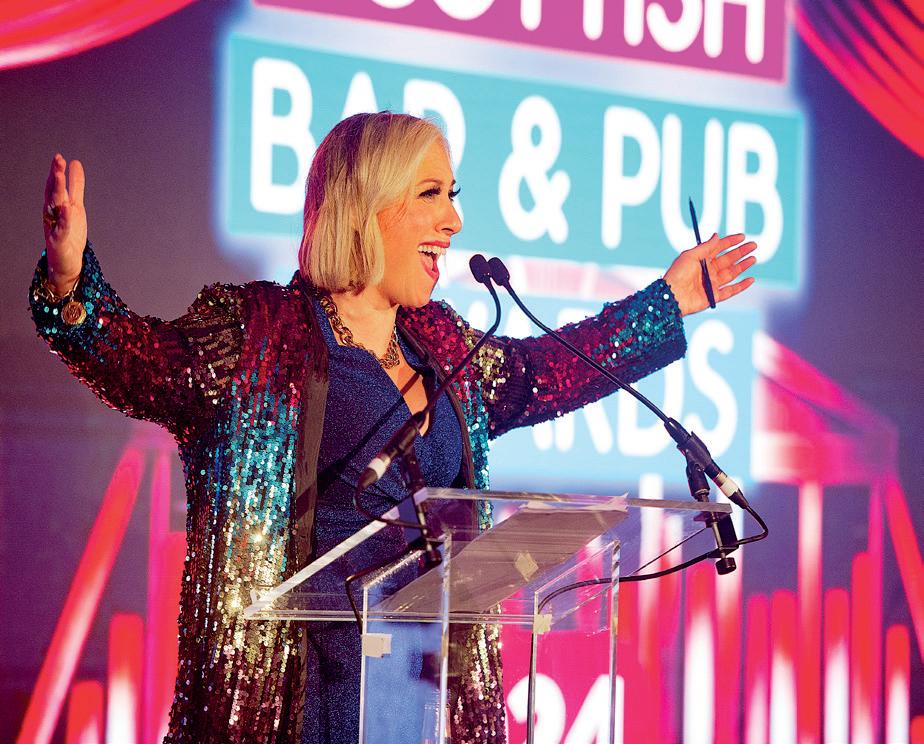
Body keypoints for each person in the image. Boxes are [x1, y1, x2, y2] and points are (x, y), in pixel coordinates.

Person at [32, 112, 756, 743]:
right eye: (431, 194)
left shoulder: (443, 348)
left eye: (452, 196)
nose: (454, 221)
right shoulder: (258, 335)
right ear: (365, 205)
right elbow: (139, 363)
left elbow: (546, 372)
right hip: (301, 705)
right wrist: (71, 286)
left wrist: (667, 303)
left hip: (424, 699)